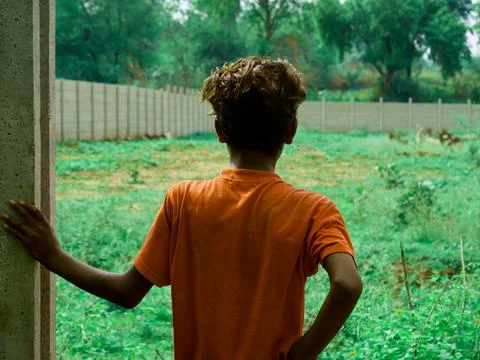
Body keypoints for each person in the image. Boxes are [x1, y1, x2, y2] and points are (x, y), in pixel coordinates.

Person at [1, 56, 362, 360]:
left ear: (220, 130)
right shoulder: (315, 210)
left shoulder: (184, 199)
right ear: (291, 131)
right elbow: (347, 284)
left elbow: (127, 292)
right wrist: (302, 354)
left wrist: (52, 255)